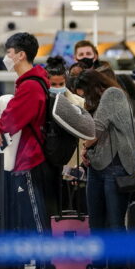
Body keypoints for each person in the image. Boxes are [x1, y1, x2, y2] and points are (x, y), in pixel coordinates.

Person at [0, 32, 55, 269]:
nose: (7, 57)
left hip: (31, 158)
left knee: (37, 220)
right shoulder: (32, 82)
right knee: (34, 219)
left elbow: (15, 115)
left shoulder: (30, 85)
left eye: (9, 52)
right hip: (29, 157)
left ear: (20, 55)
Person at [75, 69, 135, 269]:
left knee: (114, 225)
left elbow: (95, 130)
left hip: (117, 168)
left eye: (86, 93)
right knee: (97, 224)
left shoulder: (113, 94)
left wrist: (85, 145)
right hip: (98, 166)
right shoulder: (105, 97)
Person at [46, 56, 87, 211]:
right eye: (53, 84)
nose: (57, 87)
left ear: (66, 82)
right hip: (48, 163)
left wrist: (80, 165)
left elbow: (85, 135)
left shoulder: (79, 103)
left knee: (75, 207)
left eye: (61, 84)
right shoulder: (42, 103)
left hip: (73, 163)